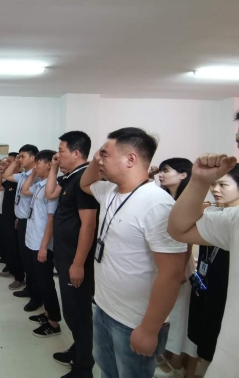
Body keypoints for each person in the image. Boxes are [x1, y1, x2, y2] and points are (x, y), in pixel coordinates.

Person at [80, 127, 187, 378]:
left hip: (134, 321)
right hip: (104, 307)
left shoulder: (157, 204)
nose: (100, 160)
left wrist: (149, 329)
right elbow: (85, 183)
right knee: (107, 372)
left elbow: (172, 274)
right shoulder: (109, 191)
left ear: (130, 159)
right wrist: (97, 158)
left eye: (105, 154)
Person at [168, 154, 239, 378]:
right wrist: (199, 181)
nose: (216, 190)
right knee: (202, 342)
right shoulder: (222, 217)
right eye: (213, 184)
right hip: (207, 292)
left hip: (220, 297)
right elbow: (178, 229)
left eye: (223, 185)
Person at [46, 131, 98, 378]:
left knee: (78, 312)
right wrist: (55, 167)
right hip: (65, 255)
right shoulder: (72, 177)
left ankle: (83, 367)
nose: (57, 154)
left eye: (61, 150)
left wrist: (78, 264)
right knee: (71, 310)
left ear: (76, 153)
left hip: (76, 260)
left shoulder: (84, 180)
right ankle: (78, 351)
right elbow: (50, 194)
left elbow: (88, 224)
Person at [153, 158, 198, 378]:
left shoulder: (186, 201)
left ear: (183, 174)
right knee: (166, 308)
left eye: (166, 170)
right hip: (164, 260)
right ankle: (167, 353)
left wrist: (181, 268)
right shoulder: (164, 197)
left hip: (180, 262)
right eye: (161, 171)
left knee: (177, 311)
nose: (161, 175)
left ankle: (176, 359)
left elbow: (187, 242)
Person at [20, 150, 62, 337]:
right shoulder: (39, 185)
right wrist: (33, 175)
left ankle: (53, 322)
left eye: (38, 163)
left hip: (41, 244)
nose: (35, 166)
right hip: (32, 239)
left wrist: (44, 247)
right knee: (39, 280)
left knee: (46, 283)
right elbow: (24, 191)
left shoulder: (51, 189)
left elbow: (51, 220)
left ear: (49, 165)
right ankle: (46, 314)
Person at [3, 144, 41, 309]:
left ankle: (36, 294)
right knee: (25, 258)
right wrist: (16, 162)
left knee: (31, 260)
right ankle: (29, 287)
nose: (20, 159)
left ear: (33, 158)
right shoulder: (23, 175)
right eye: (18, 156)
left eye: (22, 156)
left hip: (30, 221)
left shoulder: (37, 177)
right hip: (22, 220)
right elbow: (6, 175)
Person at [0, 152, 20, 280]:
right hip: (6, 217)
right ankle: (10, 267)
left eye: (9, 161)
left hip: (14, 219)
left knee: (14, 246)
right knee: (8, 244)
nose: (7, 164)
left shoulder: (19, 179)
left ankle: (17, 273)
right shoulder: (9, 180)